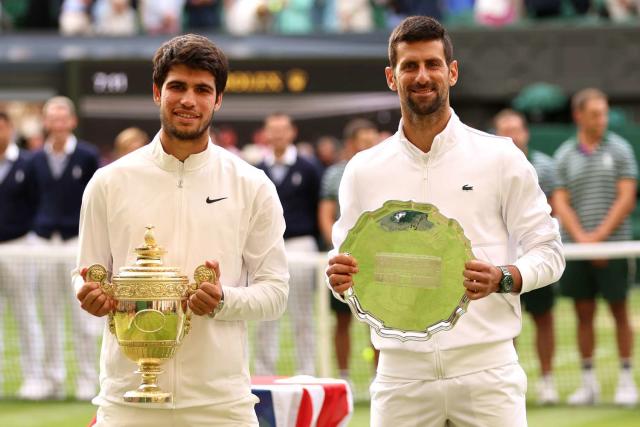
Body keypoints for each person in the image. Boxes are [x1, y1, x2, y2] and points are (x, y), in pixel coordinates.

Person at [326, 16, 564, 426]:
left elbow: (549, 252)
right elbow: (348, 273)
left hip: (488, 372)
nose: (422, 76)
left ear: (451, 72)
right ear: (391, 76)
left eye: (433, 64)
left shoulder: (501, 157)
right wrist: (341, 281)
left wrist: (504, 277)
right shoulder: (363, 170)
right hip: (401, 376)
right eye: (410, 66)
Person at [74, 34, 289, 426]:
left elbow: (275, 293)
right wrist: (88, 293)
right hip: (127, 403)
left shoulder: (252, 184)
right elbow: (86, 272)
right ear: (157, 92)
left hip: (221, 406)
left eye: (202, 89)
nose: (188, 100)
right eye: (177, 87)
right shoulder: (109, 182)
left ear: (218, 100)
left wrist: (223, 300)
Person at [552, 88, 639, 406]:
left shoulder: (621, 150)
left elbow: (626, 197)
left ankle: (627, 381)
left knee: (619, 312)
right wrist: (585, 241)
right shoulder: (564, 154)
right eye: (595, 113)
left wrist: (599, 238)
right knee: (582, 314)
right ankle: (588, 384)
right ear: (579, 116)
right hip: (579, 250)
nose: (601, 119)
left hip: (615, 249)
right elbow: (560, 200)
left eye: (604, 113)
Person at [28, 96, 101, 400]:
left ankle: (87, 380)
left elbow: (94, 201)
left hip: (76, 243)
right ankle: (51, 380)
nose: (57, 124)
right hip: (44, 243)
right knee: (49, 314)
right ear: (46, 123)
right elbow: (30, 199)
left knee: (83, 316)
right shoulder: (34, 159)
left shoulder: (87, 156)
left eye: (63, 118)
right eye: (52, 118)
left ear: (72, 121)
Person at [494, 108, 559, 405]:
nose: (511, 136)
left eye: (516, 129)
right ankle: (510, 383)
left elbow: (554, 208)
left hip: (536, 259)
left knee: (544, 318)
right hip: (501, 264)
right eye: (504, 130)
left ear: (526, 132)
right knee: (505, 323)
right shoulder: (489, 169)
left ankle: (547, 382)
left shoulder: (544, 165)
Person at [254, 112, 320, 376]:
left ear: (292, 132)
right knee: (264, 311)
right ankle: (263, 373)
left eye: (283, 129)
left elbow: (319, 207)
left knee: (303, 313)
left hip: (301, 245)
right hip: (266, 248)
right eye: (273, 129)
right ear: (266, 134)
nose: (278, 134)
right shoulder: (257, 170)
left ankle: (307, 372)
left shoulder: (309, 167)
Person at [318, 118, 379, 384]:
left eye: (372, 141)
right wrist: (338, 249)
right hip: (344, 258)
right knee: (342, 320)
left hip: (376, 258)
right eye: (364, 141)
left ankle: (380, 378)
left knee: (379, 320)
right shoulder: (335, 174)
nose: (369, 146)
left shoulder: (383, 170)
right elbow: (326, 214)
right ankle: (344, 379)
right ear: (351, 143)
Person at [0, 111, 47, 400]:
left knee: (26, 313)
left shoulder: (28, 163)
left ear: (9, 128)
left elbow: (38, 202)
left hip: (20, 247)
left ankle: (35, 378)